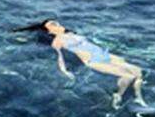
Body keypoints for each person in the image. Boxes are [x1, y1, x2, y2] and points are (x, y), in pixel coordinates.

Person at [14, 19, 146, 108]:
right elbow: (60, 57)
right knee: (128, 76)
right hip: (93, 60)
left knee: (137, 71)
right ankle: (118, 95)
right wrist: (65, 71)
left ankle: (138, 97)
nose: (56, 24)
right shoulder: (57, 41)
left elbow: (92, 42)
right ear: (49, 31)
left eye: (55, 22)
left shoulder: (72, 34)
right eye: (52, 25)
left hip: (105, 54)